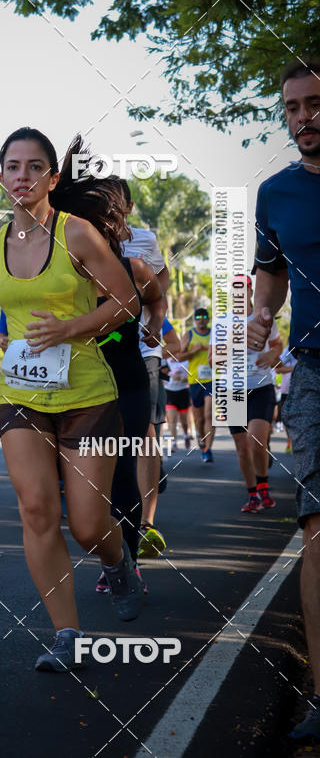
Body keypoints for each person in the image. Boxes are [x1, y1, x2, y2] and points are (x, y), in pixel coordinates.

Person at [0, 127, 144, 673]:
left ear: (53, 178)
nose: (22, 176)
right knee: (37, 511)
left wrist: (69, 328)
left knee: (87, 525)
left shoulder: (77, 234)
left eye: (34, 167)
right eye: (12, 167)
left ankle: (118, 560)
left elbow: (126, 301)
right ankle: (67, 635)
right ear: (1, 176)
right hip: (22, 396)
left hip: (87, 395)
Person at [47, 143, 165, 591]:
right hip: (75, 387)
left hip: (127, 384)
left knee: (122, 472)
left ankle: (125, 563)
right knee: (82, 479)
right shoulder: (61, 274)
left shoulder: (134, 269)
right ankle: (110, 550)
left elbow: (156, 300)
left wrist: (154, 324)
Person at [247, 57, 320, 740]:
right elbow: (269, 277)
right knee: (316, 524)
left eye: (314, 104)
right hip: (315, 371)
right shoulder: (275, 193)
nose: (304, 118)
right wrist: (262, 316)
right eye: (293, 108)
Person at [113, 181, 171, 555]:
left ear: (129, 207)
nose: (109, 210)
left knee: (145, 430)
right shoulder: (84, 238)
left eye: (116, 203)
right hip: (101, 350)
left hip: (143, 349)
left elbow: (160, 280)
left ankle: (146, 522)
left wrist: (155, 318)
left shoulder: (144, 241)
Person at [222, 275, 282, 513]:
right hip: (233, 390)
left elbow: (277, 345)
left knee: (256, 440)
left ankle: (263, 486)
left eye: (243, 288)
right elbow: (212, 359)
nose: (238, 293)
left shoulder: (264, 318)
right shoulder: (223, 322)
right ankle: (253, 495)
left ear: (250, 291)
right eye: (234, 289)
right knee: (242, 447)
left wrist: (271, 355)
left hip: (261, 386)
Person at [178, 307, 215, 462]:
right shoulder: (189, 335)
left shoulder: (214, 333)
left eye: (204, 317)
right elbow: (179, 356)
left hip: (212, 380)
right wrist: (193, 351)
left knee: (209, 414)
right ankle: (202, 439)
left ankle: (208, 449)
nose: (201, 320)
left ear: (208, 319)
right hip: (195, 381)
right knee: (199, 419)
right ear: (194, 320)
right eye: (198, 317)